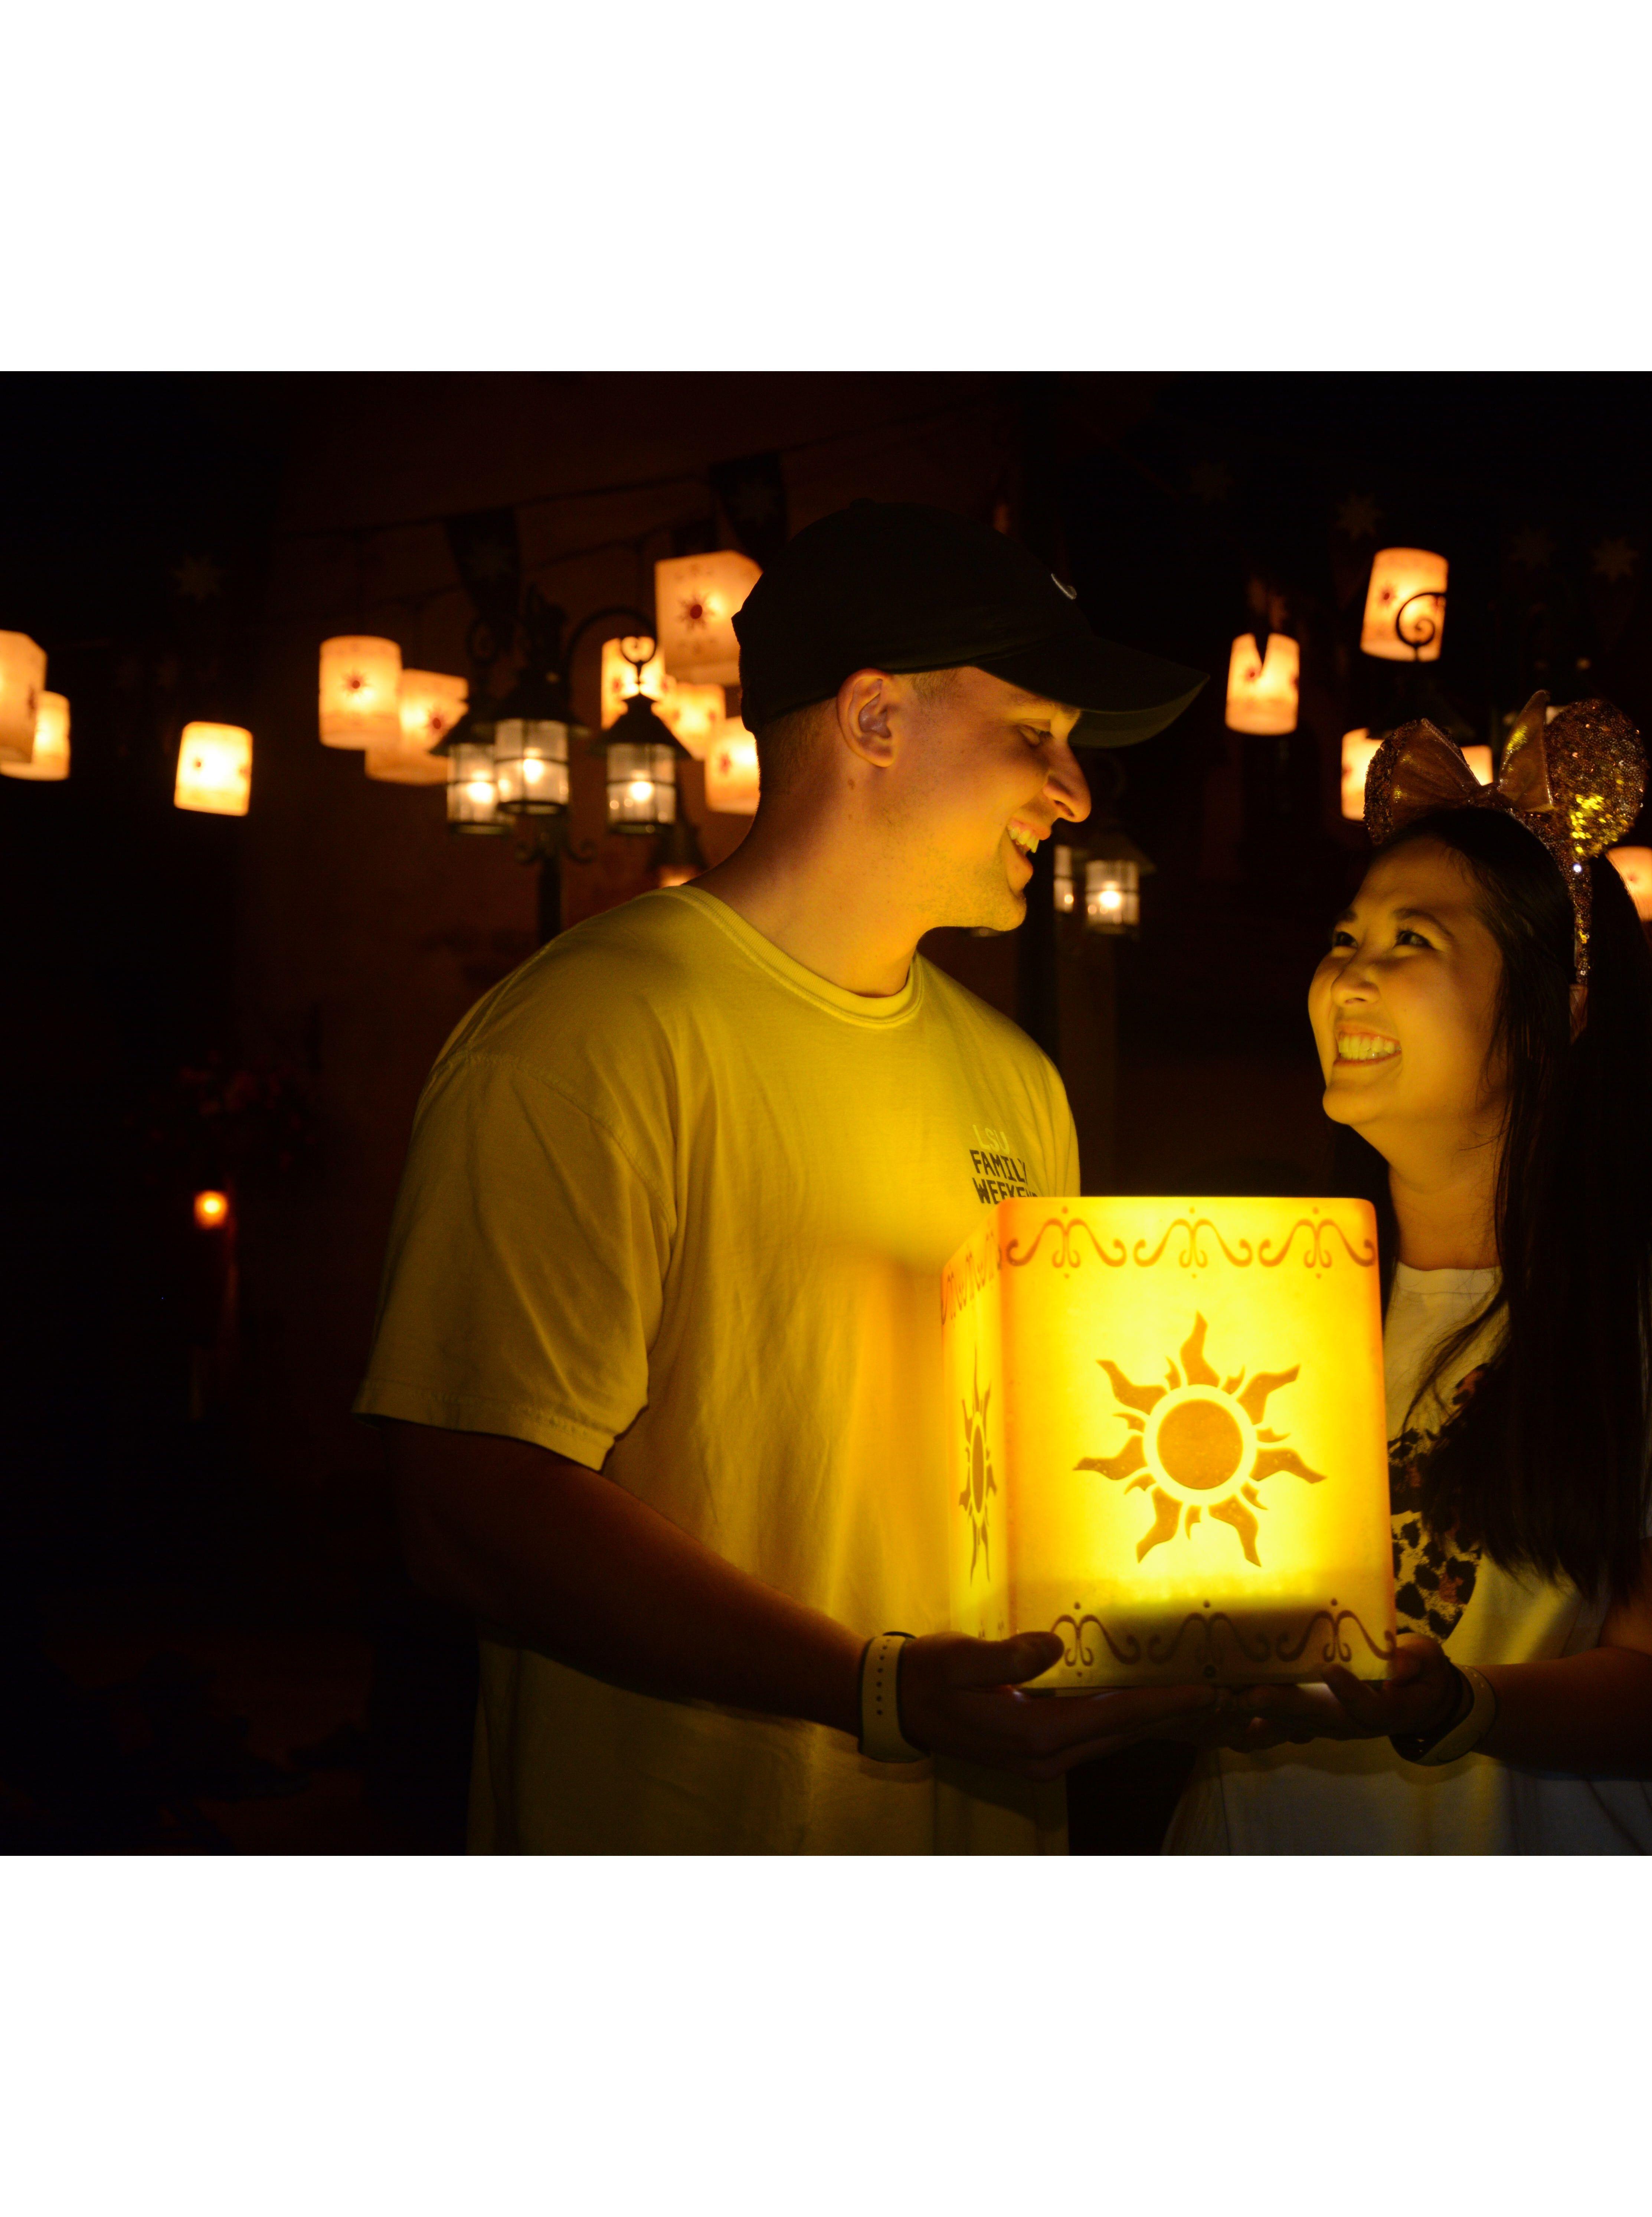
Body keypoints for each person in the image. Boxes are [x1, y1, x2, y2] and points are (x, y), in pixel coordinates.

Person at [356, 500, 1213, 1854]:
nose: (1077, 791)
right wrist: (871, 1689)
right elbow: (472, 1508)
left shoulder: (1018, 1083)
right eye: (1035, 735)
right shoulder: (591, 1035)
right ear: (875, 719)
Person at [1167, 705, 1652, 1854]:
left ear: (1558, 1005)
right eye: (1344, 938)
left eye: (1412, 942)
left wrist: (1456, 1704)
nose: (1350, 977)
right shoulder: (1254, 1292)